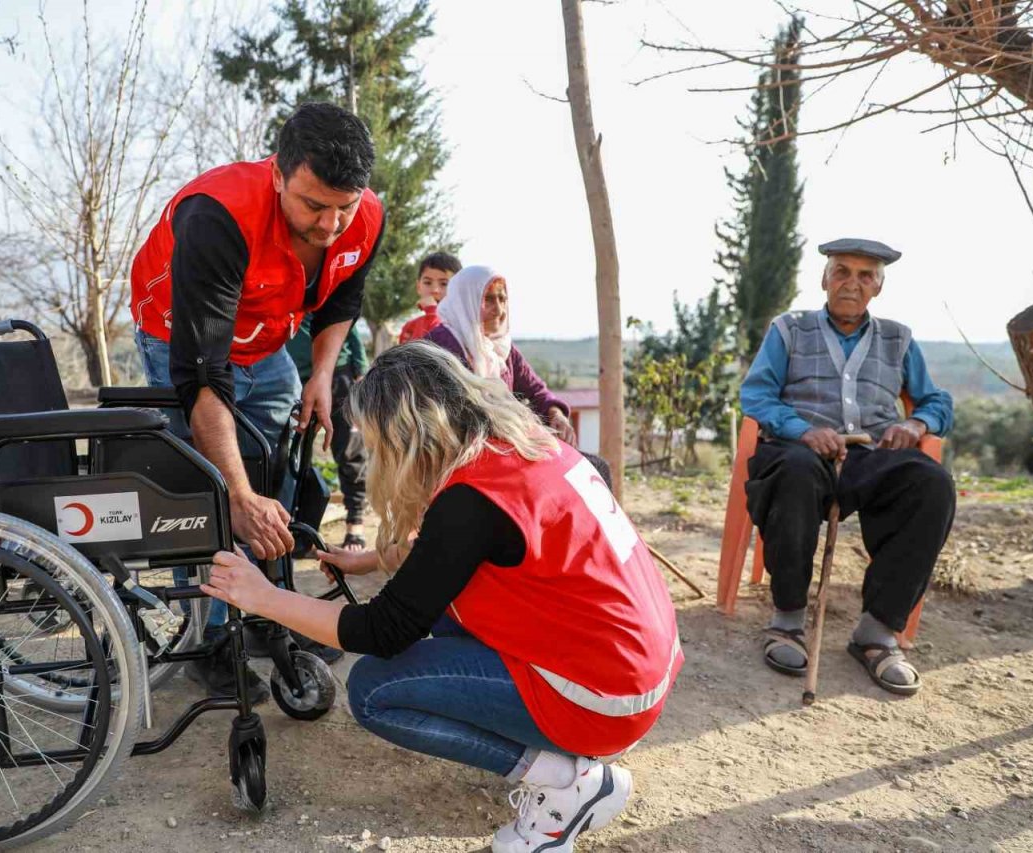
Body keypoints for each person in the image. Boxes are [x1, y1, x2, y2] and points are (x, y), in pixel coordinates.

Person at [200, 342, 683, 853]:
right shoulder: (527, 444)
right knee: (447, 613)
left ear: (405, 433)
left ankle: (565, 782)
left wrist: (262, 596)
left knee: (373, 689)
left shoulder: (468, 501)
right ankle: (564, 757)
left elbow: (381, 631)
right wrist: (376, 559)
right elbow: (490, 542)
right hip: (638, 671)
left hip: (604, 703)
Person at [129, 102, 385, 699]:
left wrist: (321, 374)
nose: (329, 225)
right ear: (278, 174)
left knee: (282, 472)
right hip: (183, 334)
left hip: (268, 337)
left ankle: (271, 612)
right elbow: (202, 374)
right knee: (207, 488)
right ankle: (212, 637)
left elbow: (341, 300)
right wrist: (237, 494)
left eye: (343, 207)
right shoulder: (217, 215)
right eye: (313, 205)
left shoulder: (363, 217)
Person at [740, 238, 955, 696]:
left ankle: (876, 633)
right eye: (841, 272)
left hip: (870, 455)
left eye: (864, 275)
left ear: (878, 286)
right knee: (793, 474)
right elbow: (756, 395)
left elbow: (937, 400)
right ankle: (788, 621)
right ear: (824, 278)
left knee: (931, 483)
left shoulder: (900, 338)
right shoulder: (789, 329)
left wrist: (917, 423)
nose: (851, 284)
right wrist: (801, 429)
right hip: (799, 449)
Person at [424, 265, 577, 446]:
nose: (499, 310)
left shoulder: (502, 349)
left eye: (502, 299)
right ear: (465, 300)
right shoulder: (439, 346)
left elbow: (536, 391)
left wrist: (555, 414)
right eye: (488, 299)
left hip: (501, 445)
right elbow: (453, 413)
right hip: (458, 452)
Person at [285, 315, 369, 550]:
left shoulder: (325, 283)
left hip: (338, 373)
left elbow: (347, 321)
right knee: (295, 458)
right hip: (293, 375)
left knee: (350, 451)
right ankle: (301, 531)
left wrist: (360, 371)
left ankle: (355, 523)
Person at [398, 251, 461, 343]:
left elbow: (437, 344)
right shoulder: (410, 327)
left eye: (444, 284)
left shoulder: (462, 326)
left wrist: (431, 310)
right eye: (427, 283)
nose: (435, 290)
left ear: (458, 289)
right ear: (418, 287)